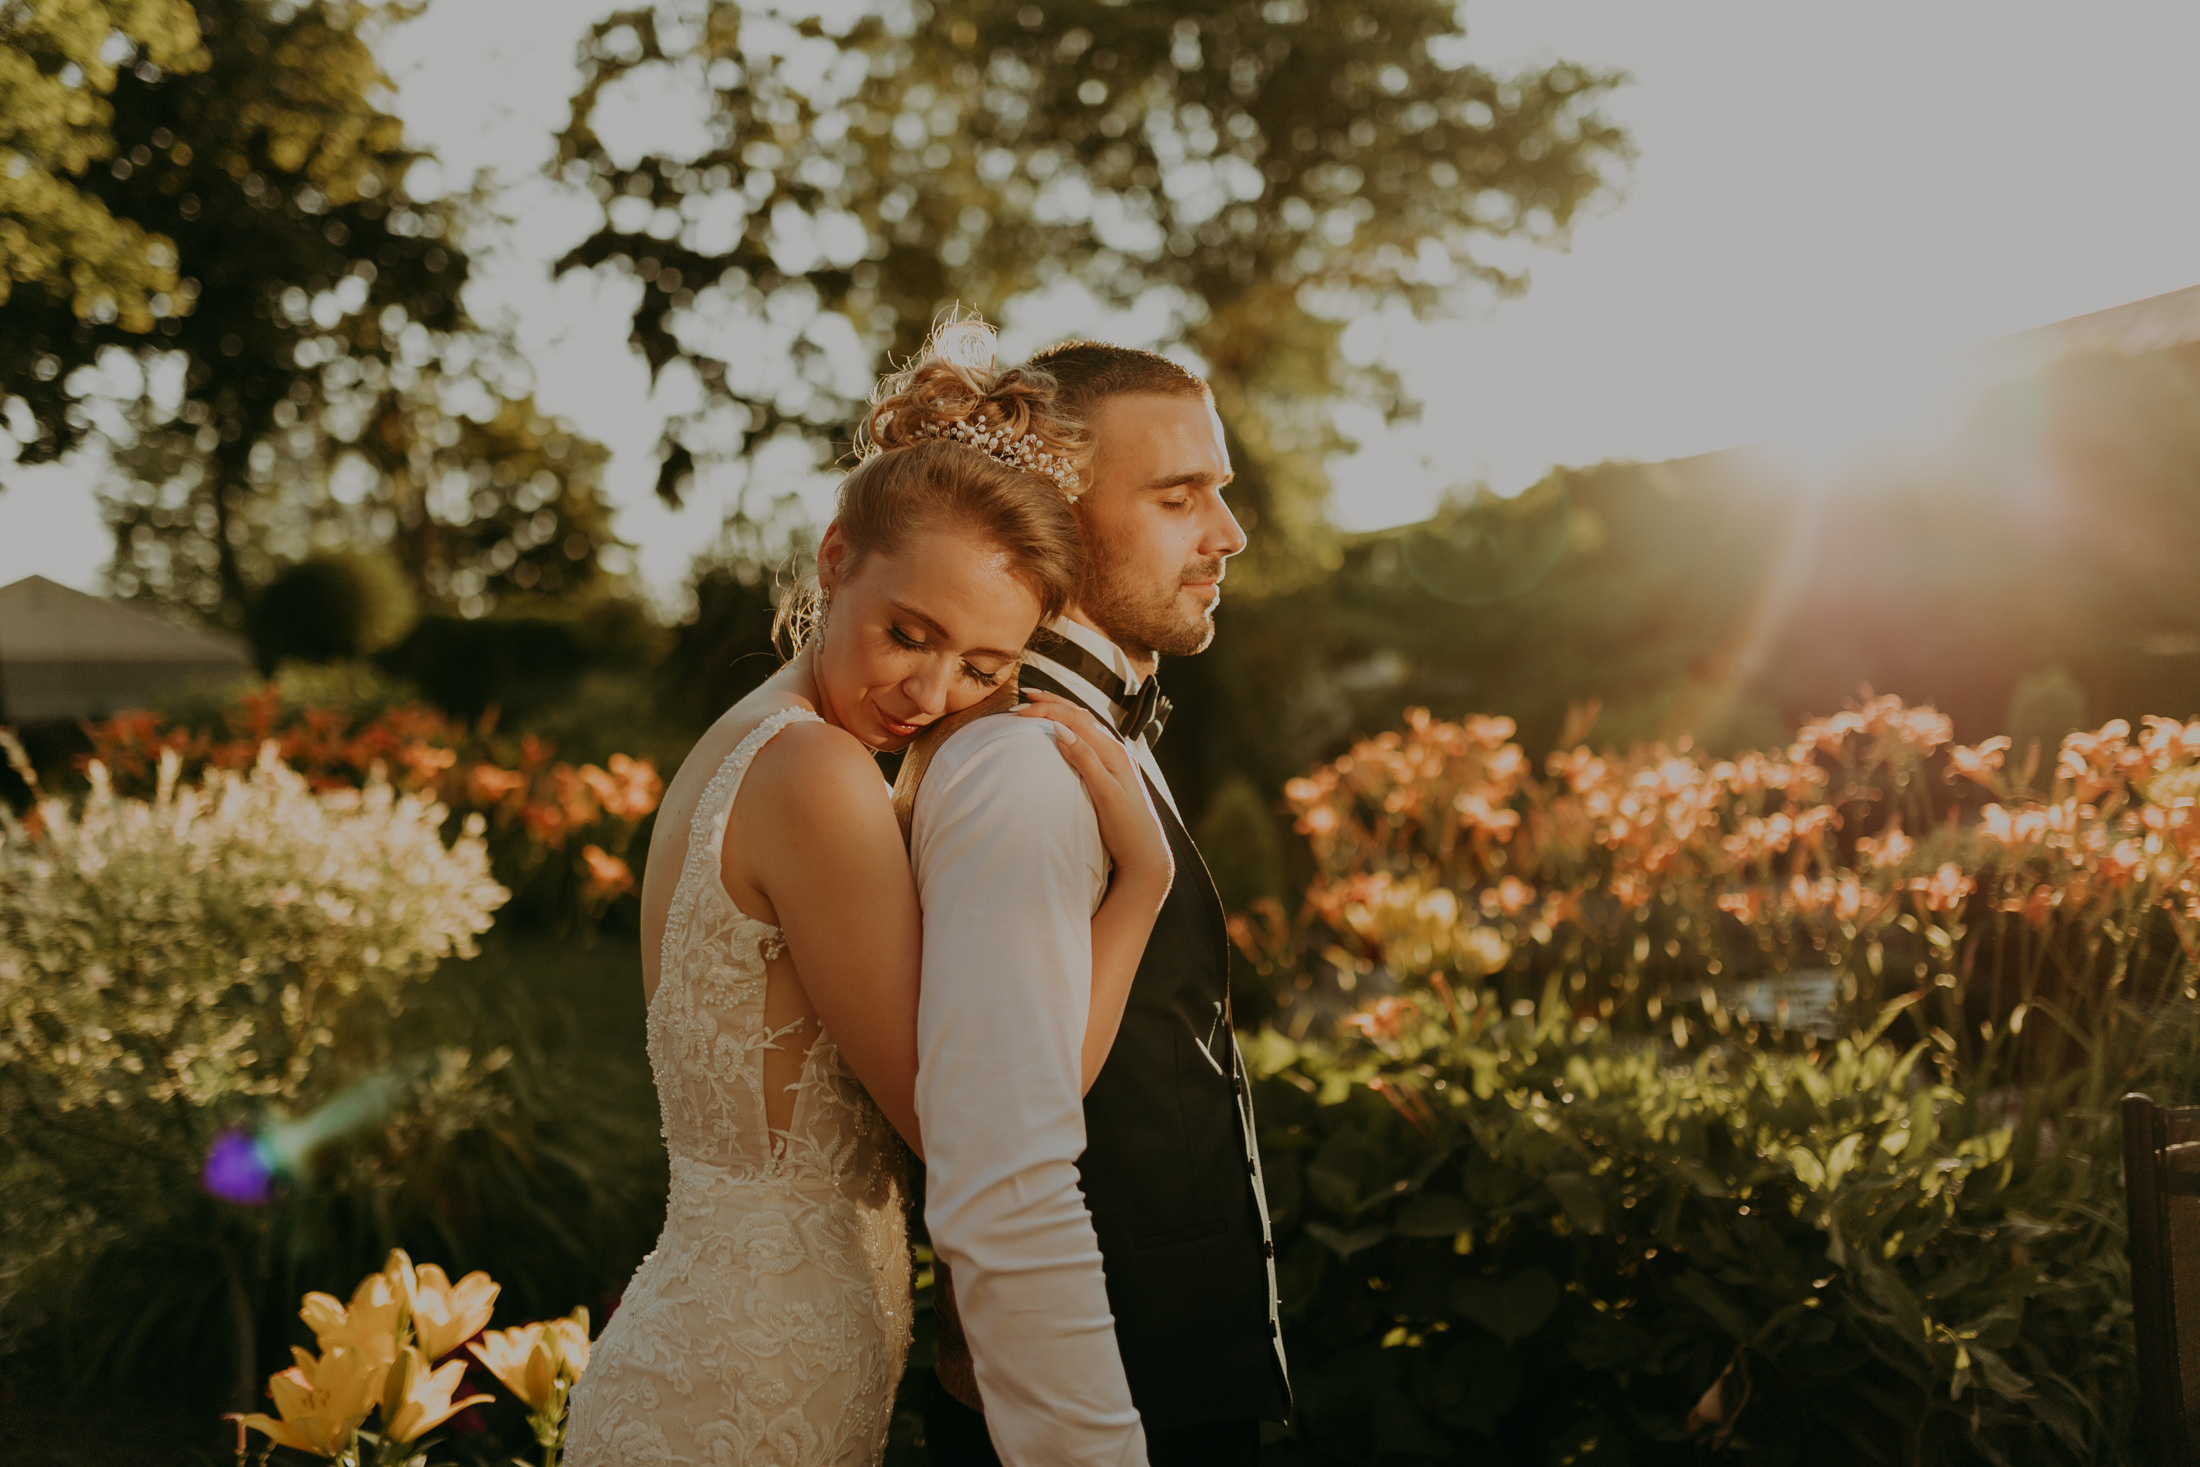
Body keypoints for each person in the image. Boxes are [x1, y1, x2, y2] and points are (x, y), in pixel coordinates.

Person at [562, 322, 1175, 1467]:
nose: (931, 693)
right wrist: (1140, 888)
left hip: (728, 1357)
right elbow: (972, 1124)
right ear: (834, 559)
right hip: (745, 1396)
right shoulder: (813, 773)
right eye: (909, 634)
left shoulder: (753, 740)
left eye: (983, 668)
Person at [911, 343, 1292, 1467]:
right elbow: (999, 1170)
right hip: (1089, 1413)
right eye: (1179, 497)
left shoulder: (1094, 733)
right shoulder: (1026, 767)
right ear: (1056, 520)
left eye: (1220, 491)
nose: (1228, 533)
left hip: (1172, 1390)